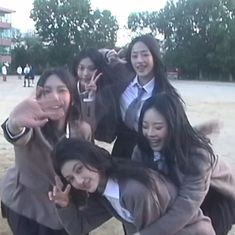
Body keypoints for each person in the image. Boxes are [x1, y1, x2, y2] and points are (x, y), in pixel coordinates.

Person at [49, 137, 215, 235]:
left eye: (80, 169)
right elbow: (79, 227)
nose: (79, 181)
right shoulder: (103, 190)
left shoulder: (133, 190)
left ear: (92, 158)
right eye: (70, 179)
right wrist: (64, 206)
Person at [1, 67, 91, 235]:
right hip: (26, 205)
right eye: (47, 91)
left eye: (62, 90)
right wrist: (13, 123)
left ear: (72, 97)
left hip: (65, 206)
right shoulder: (31, 124)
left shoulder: (82, 130)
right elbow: (16, 134)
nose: (54, 97)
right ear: (38, 96)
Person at [131, 92, 235, 235]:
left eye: (158, 127)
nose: (150, 133)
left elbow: (185, 206)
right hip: (179, 197)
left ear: (173, 126)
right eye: (145, 126)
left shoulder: (198, 157)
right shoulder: (141, 150)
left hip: (216, 198)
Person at [72, 48, 117, 137]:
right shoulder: (69, 89)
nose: (85, 73)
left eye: (91, 68)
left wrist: (91, 99)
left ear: (99, 70)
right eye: (81, 68)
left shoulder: (106, 93)